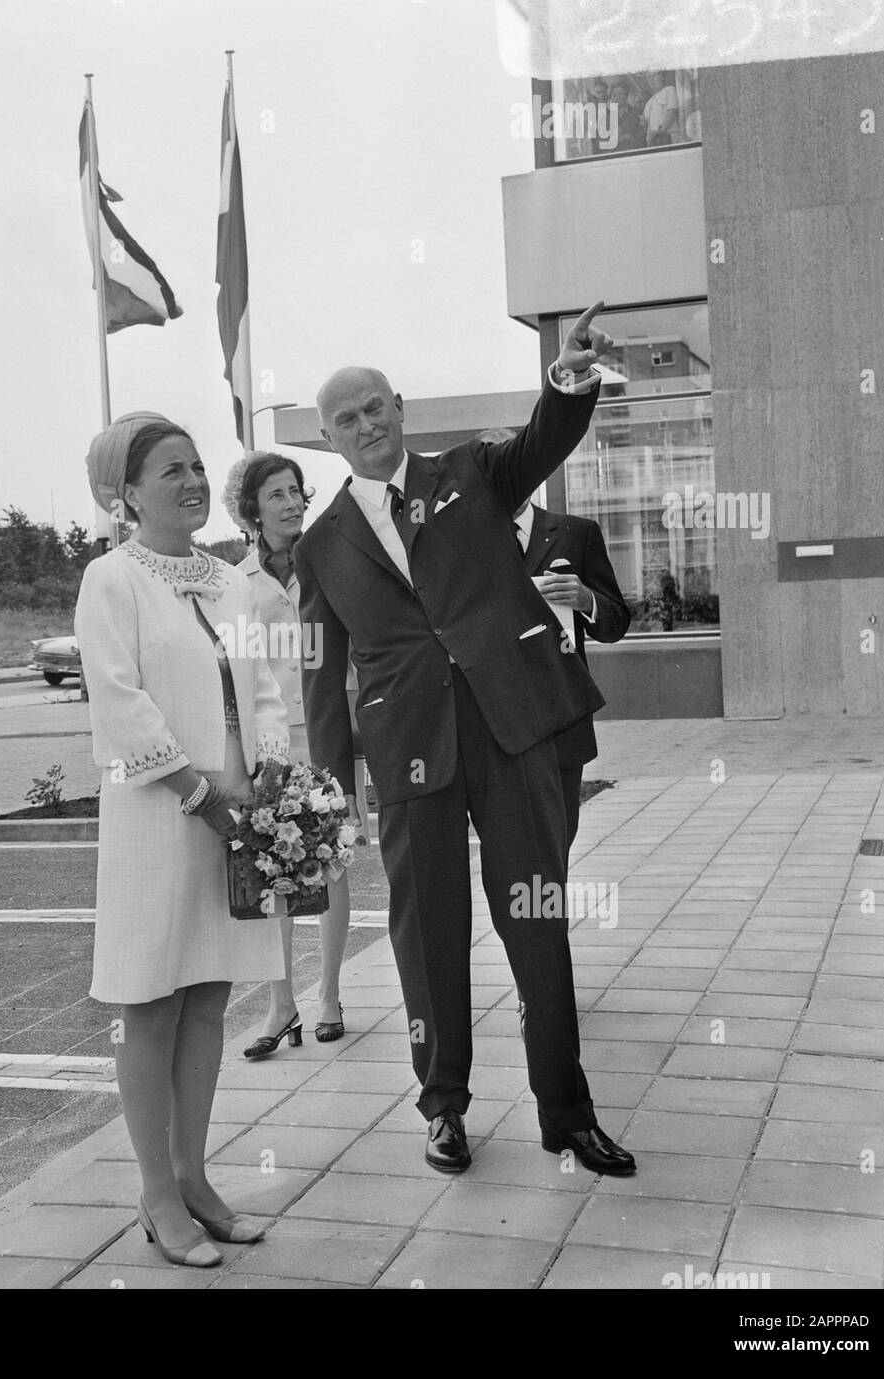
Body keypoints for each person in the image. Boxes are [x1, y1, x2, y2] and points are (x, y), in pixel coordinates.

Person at [297, 303, 636, 1178]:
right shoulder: (321, 544)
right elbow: (320, 678)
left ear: (400, 407)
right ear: (328, 437)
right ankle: (443, 1106)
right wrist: (332, 794)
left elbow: (544, 439)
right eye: (346, 418)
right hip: (409, 753)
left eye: (376, 407)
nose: (367, 426)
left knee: (536, 922)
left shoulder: (473, 474)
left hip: (509, 731)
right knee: (427, 934)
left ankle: (567, 1113)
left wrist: (569, 378)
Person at [76, 410, 290, 1268]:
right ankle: (157, 1197)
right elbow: (120, 704)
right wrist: (197, 790)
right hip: (157, 815)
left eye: (197, 465)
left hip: (236, 815)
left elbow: (262, 686)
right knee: (151, 1003)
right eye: (171, 471)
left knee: (207, 997)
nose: (193, 481)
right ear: (126, 493)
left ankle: (195, 1177)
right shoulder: (112, 579)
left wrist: (270, 767)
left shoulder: (230, 580)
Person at [224, 452, 357, 1057]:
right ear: (252, 508)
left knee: (332, 864)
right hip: (269, 747)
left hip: (329, 735)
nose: (290, 503)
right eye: (275, 494)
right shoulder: (236, 584)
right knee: (271, 871)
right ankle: (281, 1005)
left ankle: (328, 994)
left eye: (296, 492)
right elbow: (235, 674)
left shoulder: (332, 563)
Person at [512, 499, 630, 853]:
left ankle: (548, 907)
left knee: (556, 842)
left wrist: (587, 599)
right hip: (495, 724)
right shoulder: (465, 535)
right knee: (510, 850)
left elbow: (616, 624)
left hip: (561, 720)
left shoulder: (576, 532)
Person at [644, 70, 680, 146]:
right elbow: (648, 125)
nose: (651, 80)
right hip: (655, 140)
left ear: (662, 77)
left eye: (653, 76)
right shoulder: (650, 101)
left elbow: (672, 113)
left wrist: (660, 131)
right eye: (648, 77)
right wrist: (648, 140)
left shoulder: (670, 90)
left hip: (669, 137)